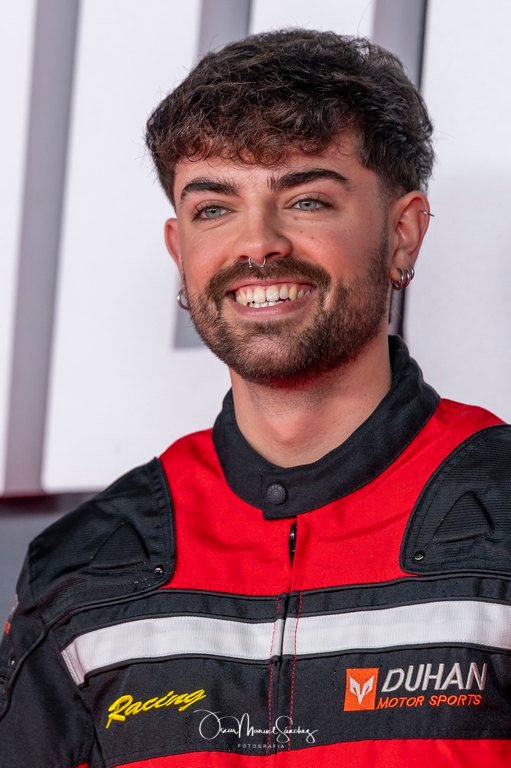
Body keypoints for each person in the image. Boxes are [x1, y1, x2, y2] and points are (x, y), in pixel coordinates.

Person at [1, 28, 510, 768]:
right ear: (179, 250)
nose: (257, 244)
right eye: (214, 209)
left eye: (305, 200)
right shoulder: (83, 568)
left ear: (402, 234)